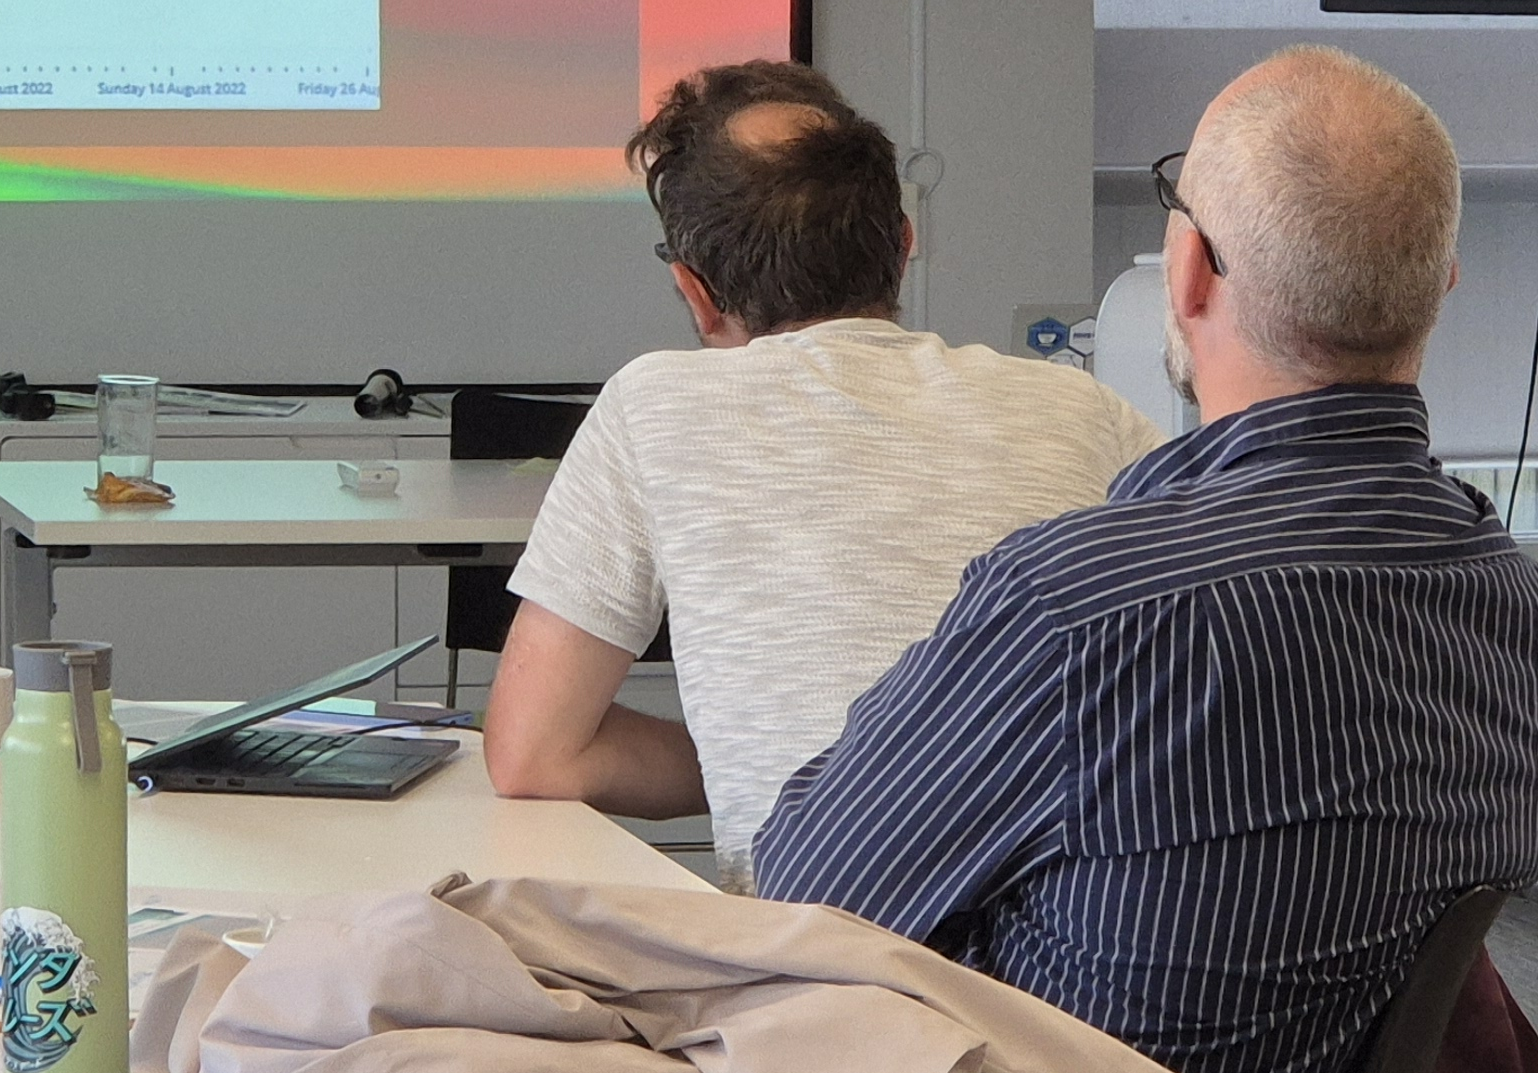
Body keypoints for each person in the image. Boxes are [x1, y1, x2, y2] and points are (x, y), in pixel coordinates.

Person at [754, 46, 1538, 1073]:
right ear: (1441, 290)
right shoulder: (1518, 607)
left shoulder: (1079, 609)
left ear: (1184, 272)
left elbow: (807, 905)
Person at [482, 60, 1162, 889]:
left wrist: (775, 757)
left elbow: (532, 754)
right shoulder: (1083, 410)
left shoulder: (653, 405)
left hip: (809, 973)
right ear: (905, 244)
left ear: (693, 292)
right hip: (1070, 964)